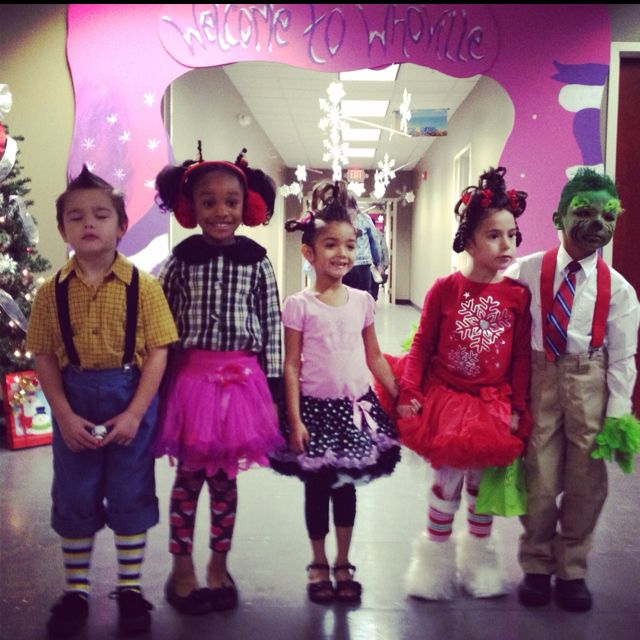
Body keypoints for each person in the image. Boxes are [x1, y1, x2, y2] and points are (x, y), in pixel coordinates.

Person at [26, 166, 178, 638]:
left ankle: (129, 589)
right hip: (75, 401)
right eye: (76, 217)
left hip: (130, 401)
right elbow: (45, 355)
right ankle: (76, 591)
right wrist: (63, 414)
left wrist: (136, 413)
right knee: (74, 493)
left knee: (131, 491)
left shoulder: (144, 287)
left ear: (121, 225)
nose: (88, 223)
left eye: (100, 215)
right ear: (62, 229)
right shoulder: (50, 292)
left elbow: (159, 351)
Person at [153, 147, 284, 616]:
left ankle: (219, 565)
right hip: (191, 382)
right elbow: (159, 320)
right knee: (188, 479)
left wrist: (273, 395)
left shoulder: (259, 262)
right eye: (208, 202)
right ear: (191, 208)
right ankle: (181, 566)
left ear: (245, 206)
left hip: (242, 385)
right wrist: (158, 382)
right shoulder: (179, 261)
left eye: (231, 202)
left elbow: (271, 327)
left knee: (226, 482)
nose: (221, 212)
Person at [506, 169, 639, 612]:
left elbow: (622, 356)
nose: (597, 222)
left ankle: (573, 568)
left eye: (608, 214)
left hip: (591, 379)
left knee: (587, 479)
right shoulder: (524, 272)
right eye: (584, 211)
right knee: (539, 474)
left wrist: (619, 412)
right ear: (558, 217)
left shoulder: (619, 290)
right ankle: (538, 564)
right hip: (539, 376)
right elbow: (496, 318)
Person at [396, 167, 532, 600]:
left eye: (511, 235)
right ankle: (432, 566)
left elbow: (521, 359)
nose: (506, 244)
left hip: (491, 405)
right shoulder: (445, 289)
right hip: (447, 404)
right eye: (494, 235)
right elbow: (421, 345)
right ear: (469, 241)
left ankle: (479, 564)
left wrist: (518, 407)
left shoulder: (517, 296)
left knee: (481, 490)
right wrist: (411, 391)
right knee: (446, 485)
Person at [269, 179, 401, 604]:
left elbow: (375, 356)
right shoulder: (298, 305)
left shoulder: (362, 300)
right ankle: (318, 562)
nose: (341, 253)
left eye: (348, 244)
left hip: (354, 410)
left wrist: (399, 393)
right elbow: (291, 365)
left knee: (345, 490)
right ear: (309, 252)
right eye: (330, 245)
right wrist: (294, 418)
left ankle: (344, 561)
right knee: (316, 489)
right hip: (314, 411)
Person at [342, 194, 380, 297]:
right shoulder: (365, 218)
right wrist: (376, 261)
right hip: (363, 264)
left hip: (344, 264)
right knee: (364, 298)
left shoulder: (339, 218)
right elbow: (374, 241)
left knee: (344, 298)